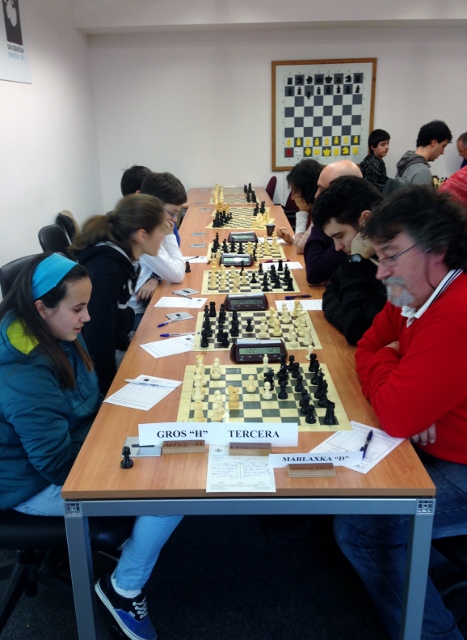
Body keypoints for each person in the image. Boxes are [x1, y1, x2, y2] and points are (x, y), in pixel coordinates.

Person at [0, 252, 182, 640]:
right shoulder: (23, 372)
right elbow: (56, 466)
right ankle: (123, 589)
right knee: (170, 488)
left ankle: (132, 547)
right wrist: (124, 462)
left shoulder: (52, 331)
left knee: (163, 451)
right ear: (42, 308)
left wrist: (122, 429)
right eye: (78, 308)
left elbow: (84, 403)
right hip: (29, 485)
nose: (87, 316)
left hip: (70, 450)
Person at [334, 185, 467, 640]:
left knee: (361, 527)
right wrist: (397, 369)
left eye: (391, 256)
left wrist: (395, 372)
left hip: (461, 462)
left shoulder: (455, 310)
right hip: (436, 447)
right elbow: (366, 343)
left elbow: (394, 415)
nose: (380, 272)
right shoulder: (414, 294)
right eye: (378, 257)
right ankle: (436, 575)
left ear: (437, 248)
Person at [71, 193, 171, 394]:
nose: (164, 236)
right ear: (142, 236)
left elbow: (115, 318)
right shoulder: (106, 272)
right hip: (93, 369)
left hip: (114, 345)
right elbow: (98, 340)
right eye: (162, 230)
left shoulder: (126, 259)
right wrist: (110, 394)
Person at [312, 176, 386, 345]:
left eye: (340, 235)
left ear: (366, 220)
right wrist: (347, 320)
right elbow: (330, 293)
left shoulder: (395, 267)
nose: (337, 247)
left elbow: (356, 332)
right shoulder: (360, 253)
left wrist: (356, 261)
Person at [129, 172, 186, 327]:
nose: (174, 219)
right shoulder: (143, 234)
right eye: (172, 213)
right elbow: (177, 273)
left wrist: (155, 277)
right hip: (134, 315)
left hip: (141, 306)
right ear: (153, 205)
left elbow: (167, 261)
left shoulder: (144, 225)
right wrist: (169, 235)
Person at [304, 160, 362, 285]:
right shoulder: (335, 223)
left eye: (322, 190)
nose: (316, 195)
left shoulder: (353, 229)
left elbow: (314, 273)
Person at [276, 159, 323, 253]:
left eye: (296, 191)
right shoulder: (313, 207)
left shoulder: (321, 211)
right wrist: (292, 239)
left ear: (309, 190)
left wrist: (302, 212)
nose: (292, 197)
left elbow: (300, 247)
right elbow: (306, 241)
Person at [396, 120, 452, 186]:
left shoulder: (406, 162)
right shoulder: (422, 172)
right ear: (433, 143)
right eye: (443, 146)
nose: (442, 152)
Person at [359, 128, 390, 193]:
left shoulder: (377, 160)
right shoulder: (372, 165)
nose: (387, 147)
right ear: (373, 147)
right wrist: (390, 187)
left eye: (388, 143)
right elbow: (371, 187)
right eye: (383, 145)